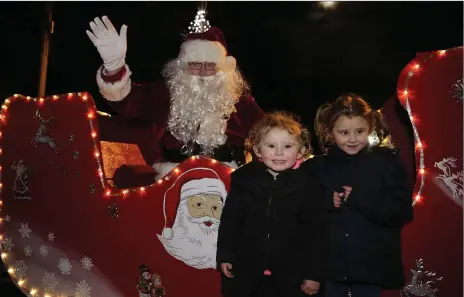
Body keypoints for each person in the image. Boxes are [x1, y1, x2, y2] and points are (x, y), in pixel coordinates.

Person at [86, 16, 265, 180]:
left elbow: (267, 133)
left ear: (222, 70)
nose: (203, 72)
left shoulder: (237, 100)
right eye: (195, 65)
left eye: (210, 66)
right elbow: (127, 101)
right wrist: (114, 67)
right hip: (172, 182)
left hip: (227, 181)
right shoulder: (167, 93)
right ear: (183, 67)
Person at [312, 93, 414, 297]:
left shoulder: (387, 163)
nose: (352, 139)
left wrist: (359, 199)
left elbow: (401, 212)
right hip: (331, 268)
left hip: (371, 266)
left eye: (360, 131)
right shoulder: (319, 166)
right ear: (330, 131)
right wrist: (326, 201)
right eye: (344, 132)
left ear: (370, 128)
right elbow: (301, 211)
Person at [216, 112, 328, 297]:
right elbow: (230, 222)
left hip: (292, 276)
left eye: (287, 146)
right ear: (257, 150)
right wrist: (226, 255)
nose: (279, 153)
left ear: (301, 151)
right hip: (249, 274)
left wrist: (314, 274)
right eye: (271, 146)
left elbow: (317, 234)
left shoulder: (310, 185)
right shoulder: (244, 180)